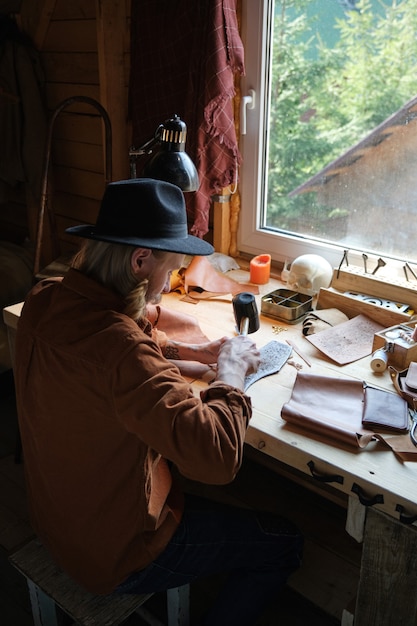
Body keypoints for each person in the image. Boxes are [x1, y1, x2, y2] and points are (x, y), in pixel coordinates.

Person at [14, 179, 303, 625]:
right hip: (115, 553)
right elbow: (216, 459)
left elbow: (127, 334)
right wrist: (229, 370)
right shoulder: (123, 354)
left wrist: (190, 353)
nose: (168, 282)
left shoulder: (43, 298)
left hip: (57, 519)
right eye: (170, 269)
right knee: (283, 542)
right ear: (140, 260)